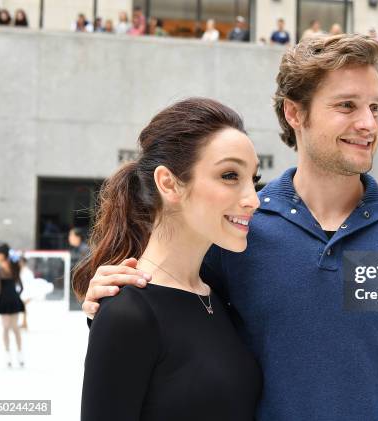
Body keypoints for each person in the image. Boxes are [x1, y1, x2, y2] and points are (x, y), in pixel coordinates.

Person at [82, 34, 378, 420]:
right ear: (295, 113)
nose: (368, 124)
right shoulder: (237, 232)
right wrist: (109, 306)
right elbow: (176, 328)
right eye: (347, 105)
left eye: (375, 108)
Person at [74, 97, 262, 420]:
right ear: (168, 183)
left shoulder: (217, 294)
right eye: (230, 176)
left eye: (253, 180)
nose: (253, 200)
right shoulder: (128, 314)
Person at [0, 242, 25, 368]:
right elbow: (21, 286)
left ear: (0, 255)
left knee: (5, 328)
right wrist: (16, 296)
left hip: (3, 300)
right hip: (14, 299)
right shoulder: (15, 266)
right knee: (15, 328)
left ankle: (8, 355)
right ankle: (19, 354)